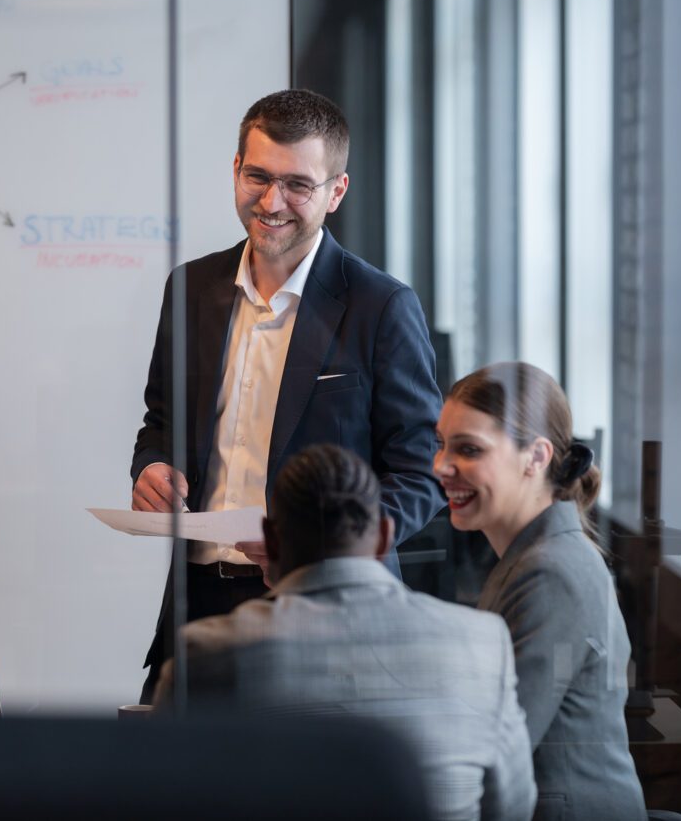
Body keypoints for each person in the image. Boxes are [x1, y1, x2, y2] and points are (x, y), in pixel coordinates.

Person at [131, 89, 445, 701]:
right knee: (172, 794)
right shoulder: (191, 287)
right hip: (198, 602)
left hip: (327, 609)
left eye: (298, 185)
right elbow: (161, 418)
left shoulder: (381, 306)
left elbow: (421, 473)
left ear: (336, 191)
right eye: (258, 177)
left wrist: (333, 543)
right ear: (235, 172)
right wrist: (151, 467)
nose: (272, 202)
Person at [153, 444, 536, 821]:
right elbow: (512, 808)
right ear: (385, 536)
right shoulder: (484, 642)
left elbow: (167, 798)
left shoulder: (206, 654)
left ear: (270, 539)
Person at [434, 363, 644, 820]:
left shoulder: (550, 573)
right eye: (441, 445)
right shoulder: (533, 556)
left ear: (536, 457)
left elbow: (497, 749)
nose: (441, 466)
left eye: (468, 449)